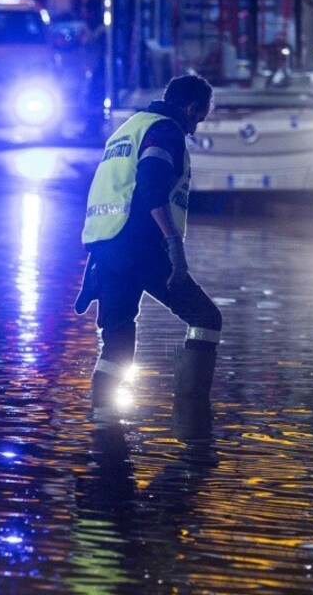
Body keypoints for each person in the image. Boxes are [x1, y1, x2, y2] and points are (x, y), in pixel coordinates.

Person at [74, 74, 222, 422]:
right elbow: (151, 189)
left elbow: (110, 193)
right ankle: (192, 416)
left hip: (107, 250)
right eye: (197, 120)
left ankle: (104, 432)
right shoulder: (166, 131)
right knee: (206, 318)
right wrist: (174, 246)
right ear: (189, 109)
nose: (194, 130)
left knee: (118, 341)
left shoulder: (128, 128)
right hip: (140, 246)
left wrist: (96, 265)